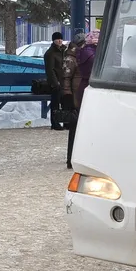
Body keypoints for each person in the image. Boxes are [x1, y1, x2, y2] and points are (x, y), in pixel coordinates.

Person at [61, 32, 85, 169]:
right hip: (74, 96)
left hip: (77, 94)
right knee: (74, 127)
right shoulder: (71, 58)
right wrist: (67, 95)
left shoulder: (77, 56)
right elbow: (66, 78)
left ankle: (74, 158)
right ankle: (71, 158)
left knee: (76, 128)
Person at [44, 31, 67, 130]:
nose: (60, 41)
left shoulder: (64, 50)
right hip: (56, 83)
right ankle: (55, 123)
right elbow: (50, 70)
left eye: (61, 39)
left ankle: (66, 121)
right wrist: (55, 82)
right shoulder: (50, 53)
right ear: (54, 40)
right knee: (55, 103)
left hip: (64, 80)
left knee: (66, 102)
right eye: (58, 39)